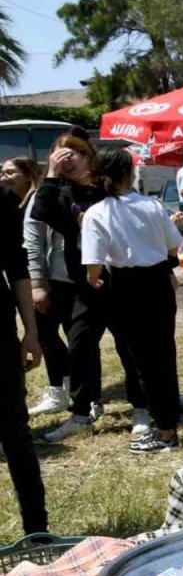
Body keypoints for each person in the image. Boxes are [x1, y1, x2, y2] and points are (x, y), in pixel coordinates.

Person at [29, 134, 150, 442]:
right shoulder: (60, 192)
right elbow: (41, 212)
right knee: (80, 345)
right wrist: (53, 175)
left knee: (130, 346)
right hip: (82, 283)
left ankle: (141, 410)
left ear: (88, 156)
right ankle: (81, 413)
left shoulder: (107, 187)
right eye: (58, 157)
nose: (66, 162)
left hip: (118, 280)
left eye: (72, 156)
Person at [79, 148, 183, 454]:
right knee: (164, 353)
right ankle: (168, 425)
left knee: (142, 361)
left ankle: (165, 432)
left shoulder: (98, 212)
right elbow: (174, 249)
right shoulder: (152, 205)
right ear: (129, 174)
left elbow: (93, 267)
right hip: (159, 283)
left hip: (125, 286)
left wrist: (93, 279)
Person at [3, 158, 67, 418]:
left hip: (48, 279)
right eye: (2, 172)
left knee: (50, 336)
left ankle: (66, 388)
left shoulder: (30, 201)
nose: (5, 176)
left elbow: (28, 253)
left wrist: (38, 283)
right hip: (36, 278)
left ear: (28, 174)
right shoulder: (13, 201)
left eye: (11, 172)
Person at [0, 184, 47, 533]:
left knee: (15, 433)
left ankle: (37, 530)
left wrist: (31, 331)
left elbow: (18, 269)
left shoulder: (1, 200)